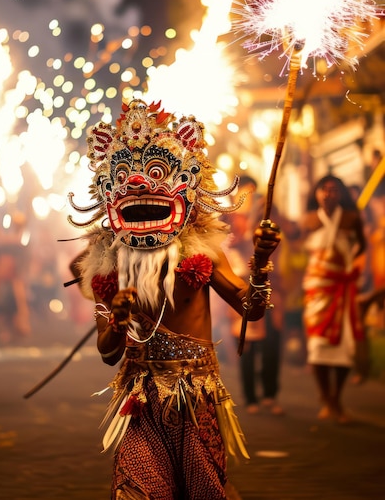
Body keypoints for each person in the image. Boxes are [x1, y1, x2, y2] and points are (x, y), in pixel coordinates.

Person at [68, 99, 281, 499]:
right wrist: (116, 320)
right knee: (137, 493)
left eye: (155, 175)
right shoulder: (106, 266)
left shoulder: (205, 252)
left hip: (196, 399)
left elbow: (250, 308)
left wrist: (263, 261)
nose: (139, 187)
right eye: (126, 179)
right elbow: (107, 353)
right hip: (140, 401)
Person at [301, 174, 366, 423]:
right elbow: (294, 250)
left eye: (334, 190)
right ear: (316, 193)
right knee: (318, 347)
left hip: (343, 289)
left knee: (344, 347)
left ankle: (336, 398)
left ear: (341, 194)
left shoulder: (351, 218)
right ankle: (326, 398)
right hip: (316, 291)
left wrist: (353, 267)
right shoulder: (308, 220)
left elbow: (361, 247)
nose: (328, 194)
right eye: (324, 189)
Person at [224, 175, 285, 415]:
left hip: (270, 284)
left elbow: (277, 242)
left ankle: (270, 394)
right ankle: (250, 397)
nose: (246, 195)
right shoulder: (229, 217)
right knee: (246, 343)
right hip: (241, 284)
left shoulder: (266, 214)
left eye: (250, 191)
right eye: (242, 191)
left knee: (272, 342)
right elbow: (232, 244)